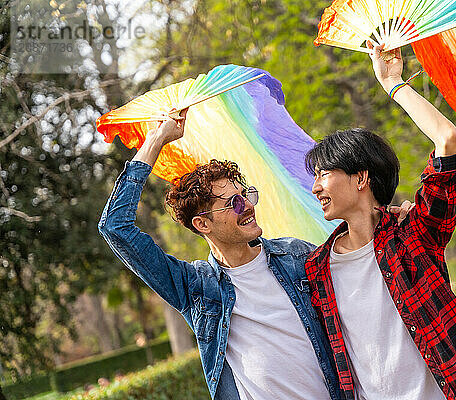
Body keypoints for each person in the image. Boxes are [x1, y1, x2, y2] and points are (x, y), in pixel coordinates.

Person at [99, 108, 412, 399]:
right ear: (202, 223)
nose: (247, 206)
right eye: (232, 203)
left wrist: (383, 219)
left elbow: (358, 260)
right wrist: (156, 140)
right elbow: (116, 227)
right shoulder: (196, 288)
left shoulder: (296, 257)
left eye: (245, 195)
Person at [303, 43, 456, 400]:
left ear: (360, 178)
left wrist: (393, 83)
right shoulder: (316, 268)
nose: (316, 186)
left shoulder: (413, 234)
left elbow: (448, 141)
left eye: (324, 173)